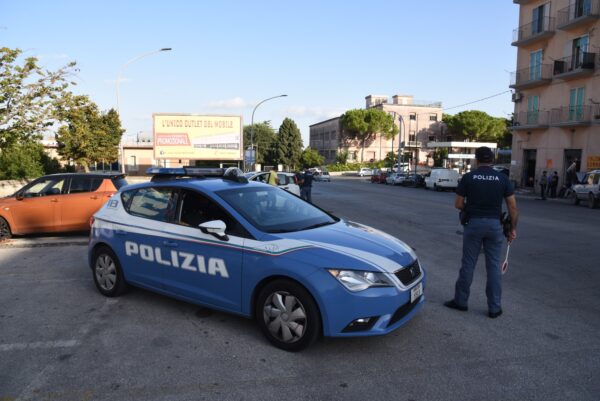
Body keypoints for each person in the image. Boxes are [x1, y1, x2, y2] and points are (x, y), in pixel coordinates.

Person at [444, 146, 518, 319]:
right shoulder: (502, 178)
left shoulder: (469, 177)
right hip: (494, 225)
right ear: (492, 160)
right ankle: (494, 308)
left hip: (474, 224)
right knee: (493, 267)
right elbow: (513, 207)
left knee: (468, 264)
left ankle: (461, 302)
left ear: (477, 160)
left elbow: (458, 204)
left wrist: (470, 208)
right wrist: (512, 229)